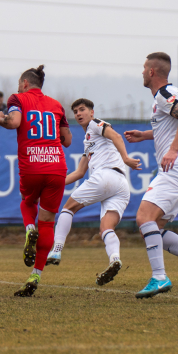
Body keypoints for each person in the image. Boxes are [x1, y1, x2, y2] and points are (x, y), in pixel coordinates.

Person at [124, 52, 178, 299]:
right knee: (154, 228)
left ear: (152, 71)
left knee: (144, 218)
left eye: (144, 68)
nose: (142, 72)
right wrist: (144, 135)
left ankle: (159, 278)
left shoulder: (165, 95)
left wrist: (173, 150)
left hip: (175, 171)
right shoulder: (162, 98)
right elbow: (171, 125)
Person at [0, 66, 72, 297]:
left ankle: (29, 229)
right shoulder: (56, 104)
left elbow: (14, 122)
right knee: (48, 222)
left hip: (32, 165)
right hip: (57, 166)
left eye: (19, 83)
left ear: (25, 83)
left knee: (27, 202)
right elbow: (67, 140)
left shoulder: (17, 98)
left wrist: (0, 118)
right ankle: (36, 274)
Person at [46, 98, 142, 285]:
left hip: (106, 176)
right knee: (106, 228)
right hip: (120, 185)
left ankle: (56, 249)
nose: (78, 114)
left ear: (92, 112)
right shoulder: (88, 141)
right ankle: (115, 259)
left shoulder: (95, 124)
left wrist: (126, 158)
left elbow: (116, 136)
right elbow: (79, 172)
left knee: (67, 209)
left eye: (82, 109)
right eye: (75, 111)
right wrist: (53, 185)